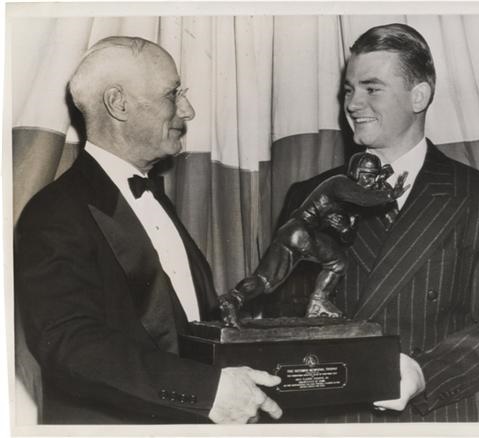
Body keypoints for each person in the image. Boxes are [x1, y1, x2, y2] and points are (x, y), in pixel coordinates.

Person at [270, 23, 479, 422]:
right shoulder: (309, 195)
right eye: (348, 90)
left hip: (427, 417)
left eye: (371, 88)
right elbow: (285, 317)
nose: (353, 104)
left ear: (419, 96)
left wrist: (422, 373)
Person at [14, 36, 282, 424]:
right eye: (173, 94)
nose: (187, 110)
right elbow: (70, 347)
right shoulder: (54, 212)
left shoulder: (154, 198)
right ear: (118, 104)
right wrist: (207, 392)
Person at [219, 152, 408, 327]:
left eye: (373, 176)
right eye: (366, 175)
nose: (370, 181)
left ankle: (234, 298)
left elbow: (348, 236)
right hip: (302, 231)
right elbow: (363, 196)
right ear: (354, 173)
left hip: (292, 232)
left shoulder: (352, 205)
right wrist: (389, 194)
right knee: (338, 262)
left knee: (266, 281)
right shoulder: (340, 183)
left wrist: (344, 228)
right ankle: (318, 301)